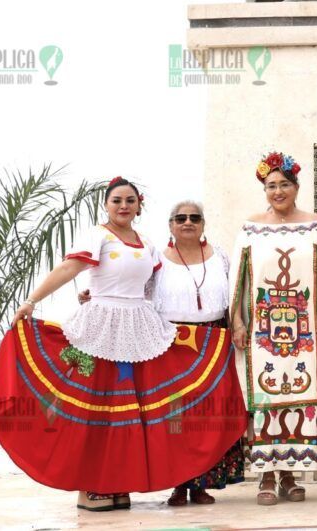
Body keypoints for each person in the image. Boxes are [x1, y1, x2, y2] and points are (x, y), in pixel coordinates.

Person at [0, 177, 247, 512]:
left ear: (139, 206)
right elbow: (69, 268)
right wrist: (32, 300)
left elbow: (154, 286)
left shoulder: (147, 244)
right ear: (106, 205)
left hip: (138, 328)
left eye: (130, 200)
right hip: (100, 329)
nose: (123, 206)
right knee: (94, 407)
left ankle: (118, 483)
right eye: (117, 200)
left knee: (130, 411)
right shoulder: (97, 236)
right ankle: (91, 487)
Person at [78, 198, 244, 507]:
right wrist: (95, 296)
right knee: (176, 418)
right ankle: (179, 485)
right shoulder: (158, 259)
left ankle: (203, 484)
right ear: (170, 225)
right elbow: (132, 290)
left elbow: (234, 297)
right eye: (180, 218)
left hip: (214, 341)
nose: (188, 222)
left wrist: (237, 325)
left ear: (203, 224)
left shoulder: (220, 257)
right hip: (172, 344)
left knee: (210, 417)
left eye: (195, 217)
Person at [229, 152, 317, 505]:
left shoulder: (316, 225)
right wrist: (238, 321)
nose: (278, 191)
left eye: (284, 184)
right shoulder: (251, 227)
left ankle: (290, 474)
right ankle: (267, 476)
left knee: (301, 399)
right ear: (264, 190)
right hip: (263, 332)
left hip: (304, 331)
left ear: (296, 187)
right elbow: (238, 278)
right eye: (271, 185)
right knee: (266, 396)